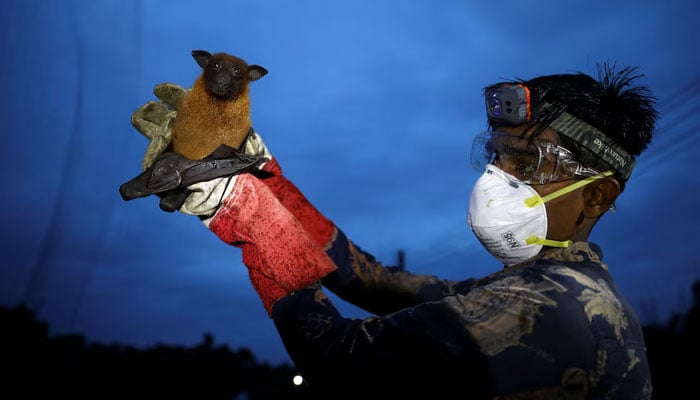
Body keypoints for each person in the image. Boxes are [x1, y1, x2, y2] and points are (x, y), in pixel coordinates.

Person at [121, 62, 658, 398]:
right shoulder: (543, 288)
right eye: (497, 157)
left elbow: (337, 361)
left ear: (596, 196)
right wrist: (266, 178)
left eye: (528, 162)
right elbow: (369, 281)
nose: (498, 179)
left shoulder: (554, 310)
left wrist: (243, 211)